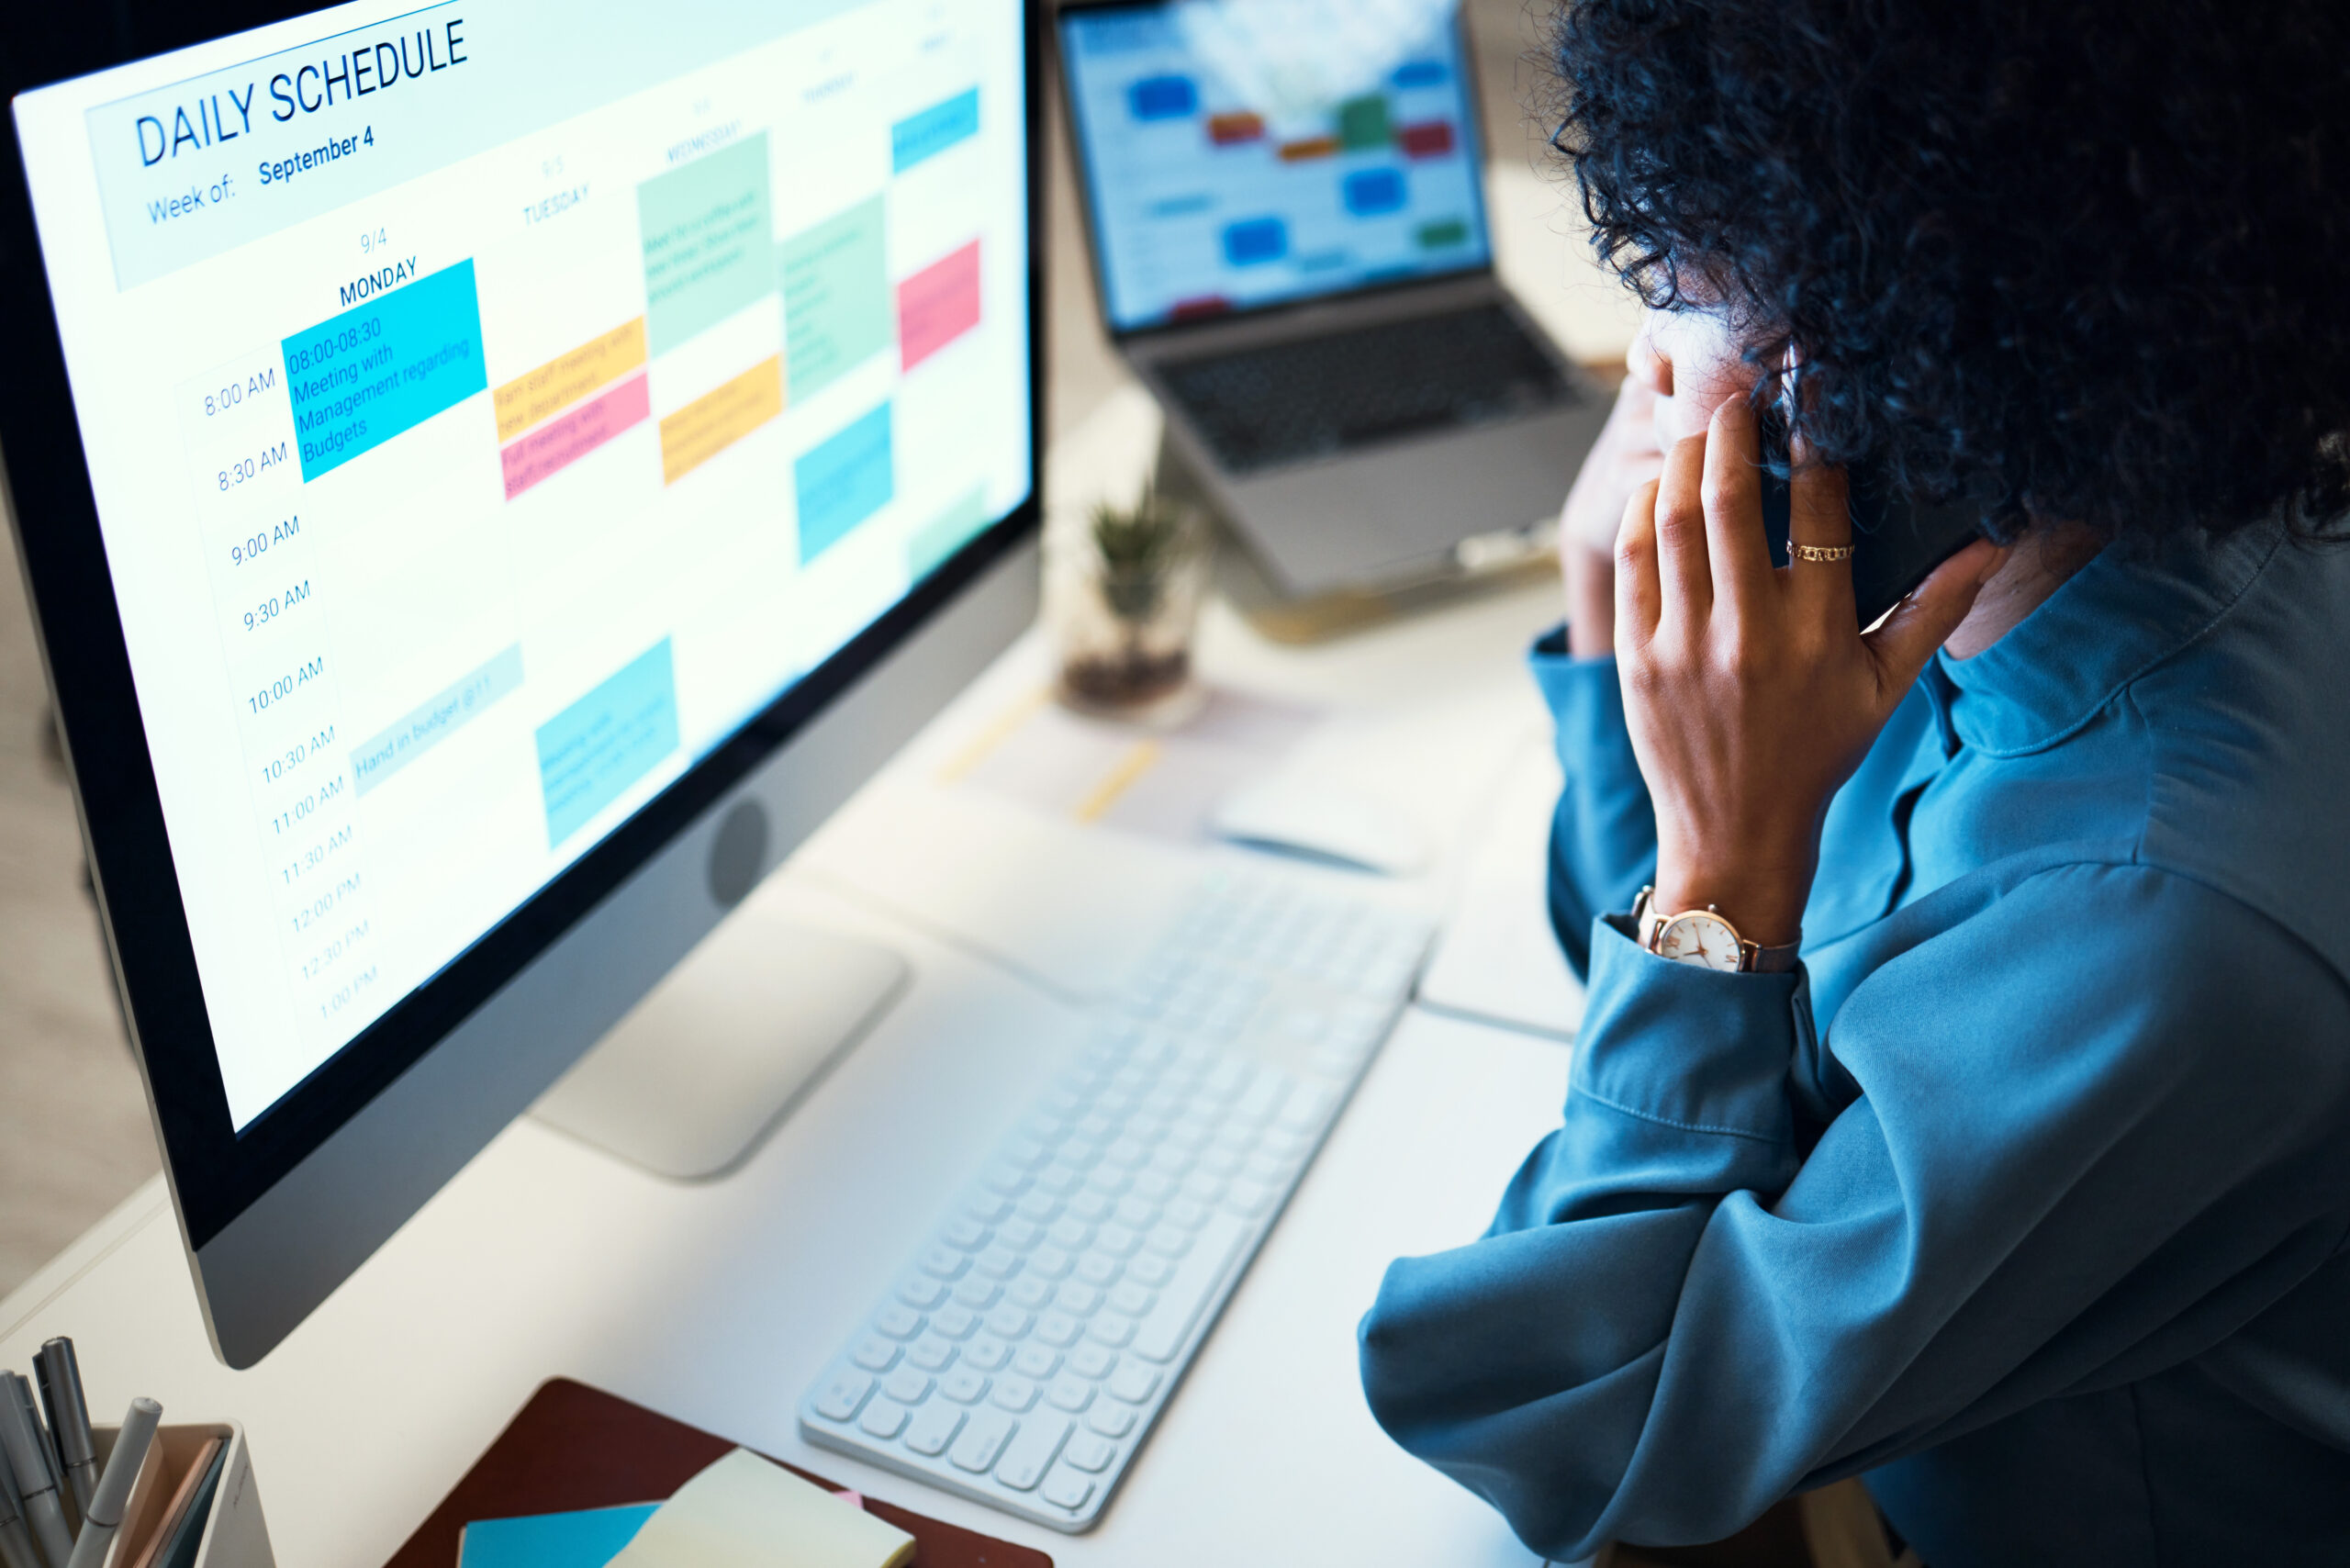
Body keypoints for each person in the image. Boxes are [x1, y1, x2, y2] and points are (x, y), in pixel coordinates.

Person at [1355, 2, 2350, 1564]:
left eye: (1683, 280)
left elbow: (1572, 1428)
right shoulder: (2041, 533)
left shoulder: (2151, 927)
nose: (1650, 342)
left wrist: (1716, 881)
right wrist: (1624, 643)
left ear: (1864, 339)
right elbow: (1692, 1039)